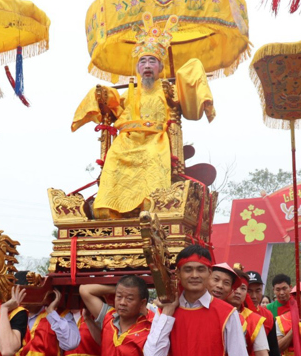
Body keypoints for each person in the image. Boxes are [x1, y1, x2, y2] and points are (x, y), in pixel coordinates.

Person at [71, 12, 214, 219]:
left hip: (155, 140)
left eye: (152, 62)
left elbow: (190, 106)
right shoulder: (128, 92)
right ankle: (108, 208)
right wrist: (102, 95)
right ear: (137, 68)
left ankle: (150, 207)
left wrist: (187, 82)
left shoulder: (169, 89)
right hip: (127, 141)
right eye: (143, 62)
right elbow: (113, 107)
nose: (147, 66)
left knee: (152, 159)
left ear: (160, 67)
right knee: (114, 157)